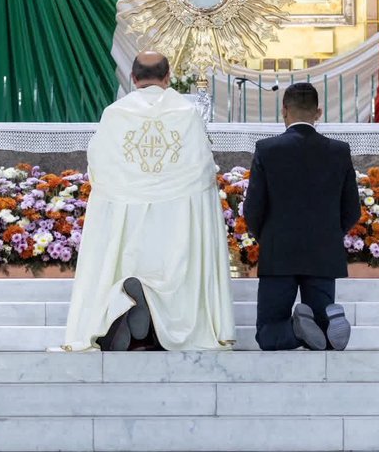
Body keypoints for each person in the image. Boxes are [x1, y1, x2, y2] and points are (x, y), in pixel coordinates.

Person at [61, 52, 236, 352]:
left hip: (127, 215)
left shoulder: (115, 114)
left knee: (127, 260)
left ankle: (125, 310)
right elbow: (204, 171)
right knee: (176, 266)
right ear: (168, 78)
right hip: (177, 218)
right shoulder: (186, 113)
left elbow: (98, 169)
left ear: (133, 78)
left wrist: (130, 188)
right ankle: (167, 321)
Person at [243, 82, 360, 351]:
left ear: (284, 110)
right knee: (322, 339)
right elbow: (352, 208)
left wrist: (267, 237)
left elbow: (253, 208)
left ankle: (296, 331)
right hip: (323, 253)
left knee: (268, 334)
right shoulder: (339, 151)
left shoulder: (267, 149)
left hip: (279, 252)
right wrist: (330, 234)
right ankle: (326, 326)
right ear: (318, 113)